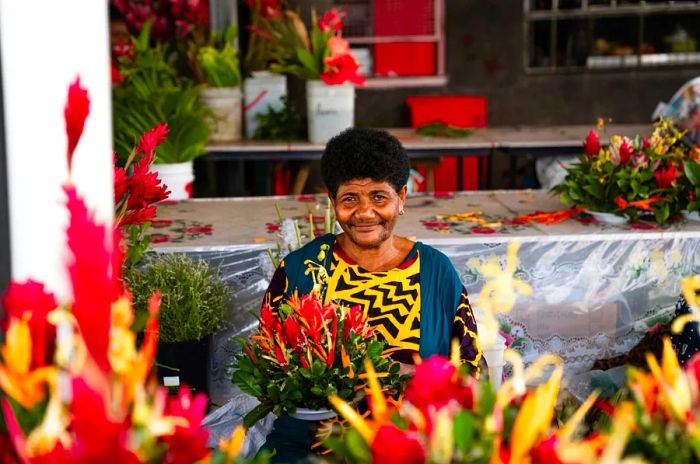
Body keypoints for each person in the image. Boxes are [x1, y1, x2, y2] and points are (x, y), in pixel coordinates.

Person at [262, 127, 482, 371]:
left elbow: (470, 365)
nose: (365, 212)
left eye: (379, 197)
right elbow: (268, 366)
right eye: (349, 198)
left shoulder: (435, 270)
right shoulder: (300, 270)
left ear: (401, 198)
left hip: (415, 410)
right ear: (333, 202)